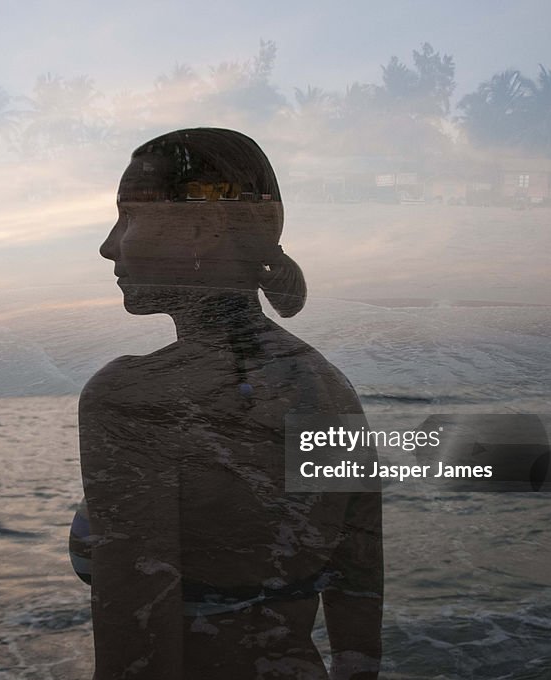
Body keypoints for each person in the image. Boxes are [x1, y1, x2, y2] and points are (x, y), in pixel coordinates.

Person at [78, 128, 383, 679]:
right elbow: (358, 601)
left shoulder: (130, 397)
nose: (108, 244)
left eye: (128, 216)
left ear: (202, 227)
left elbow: (136, 640)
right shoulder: (330, 387)